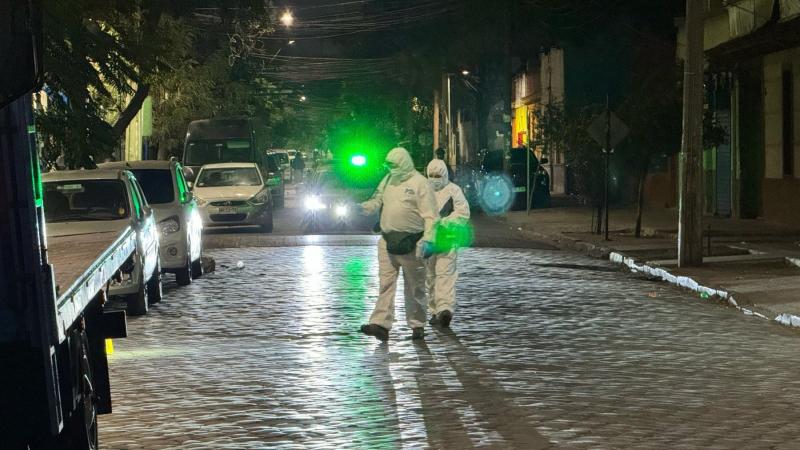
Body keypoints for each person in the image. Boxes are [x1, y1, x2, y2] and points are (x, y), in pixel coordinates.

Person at [358, 147, 438, 342]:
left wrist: (429, 240)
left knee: (415, 286)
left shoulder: (420, 184)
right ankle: (380, 324)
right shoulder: (388, 180)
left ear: (403, 163)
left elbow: (431, 216)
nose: (391, 168)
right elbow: (377, 200)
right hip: (387, 241)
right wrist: (364, 208)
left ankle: (417, 324)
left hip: (413, 243)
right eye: (388, 165)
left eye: (393, 165)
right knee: (385, 284)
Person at [425, 159, 470, 328]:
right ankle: (434, 310)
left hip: (447, 241)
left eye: (438, 176)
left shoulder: (454, 191)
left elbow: (463, 213)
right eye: (432, 175)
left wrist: (445, 222)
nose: (435, 179)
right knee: (430, 277)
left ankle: (444, 309)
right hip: (428, 242)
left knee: (445, 275)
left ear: (444, 175)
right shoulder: (424, 191)